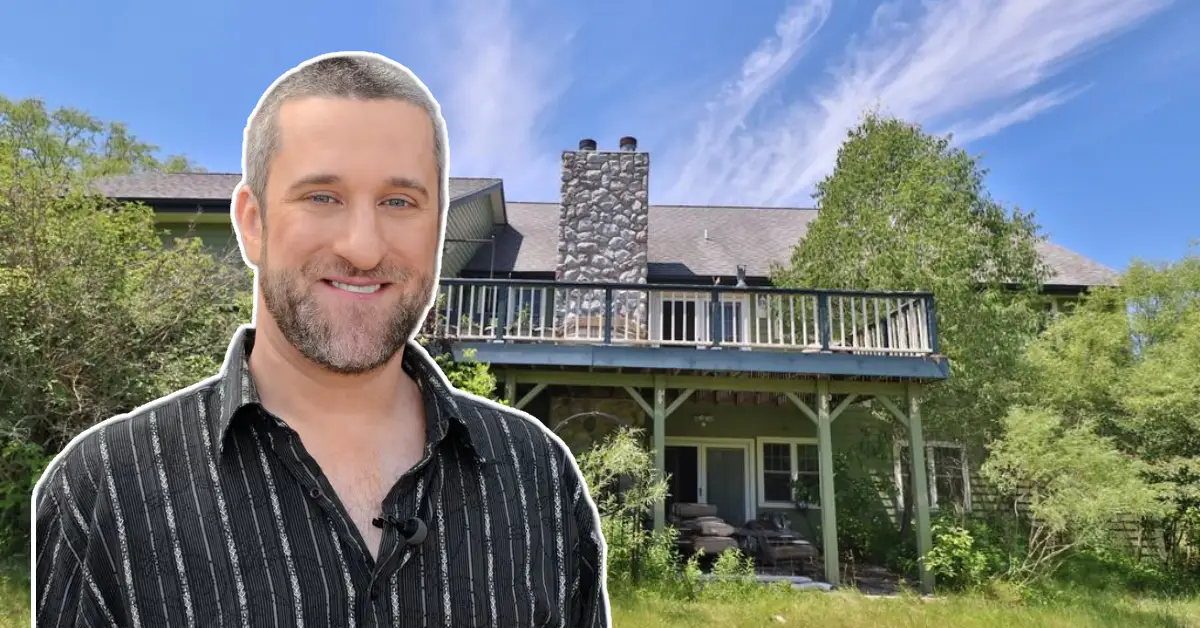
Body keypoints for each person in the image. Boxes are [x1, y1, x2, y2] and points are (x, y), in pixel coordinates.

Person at [33, 51, 609, 628]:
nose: (363, 247)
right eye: (322, 197)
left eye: (399, 202)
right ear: (252, 222)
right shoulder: (103, 492)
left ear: (436, 230)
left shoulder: (538, 477)